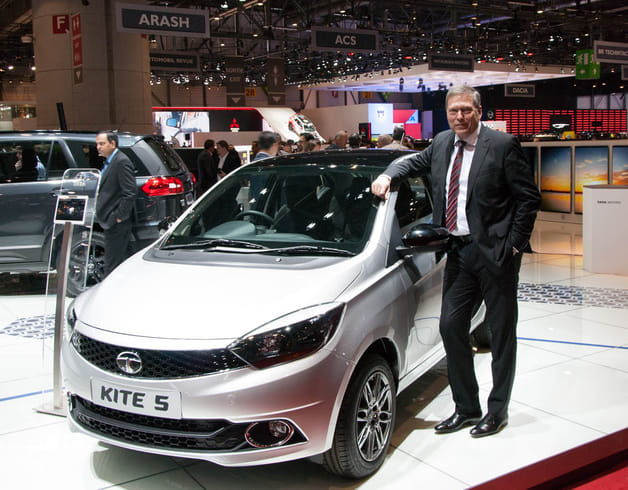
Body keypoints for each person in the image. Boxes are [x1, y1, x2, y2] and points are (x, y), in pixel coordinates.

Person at [371, 85, 541, 438]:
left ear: (479, 110)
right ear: (447, 113)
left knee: (501, 335)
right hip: (458, 252)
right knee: (450, 327)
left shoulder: (502, 145)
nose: (460, 117)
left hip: (495, 254)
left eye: (466, 110)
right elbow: (411, 162)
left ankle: (497, 411)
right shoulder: (442, 143)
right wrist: (387, 175)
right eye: (453, 111)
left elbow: (528, 198)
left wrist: (513, 245)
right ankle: (466, 408)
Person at [95, 131, 137, 277]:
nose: (98, 147)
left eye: (102, 144)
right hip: (111, 220)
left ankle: (108, 289)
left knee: (112, 265)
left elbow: (130, 192)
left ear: (112, 143)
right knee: (122, 261)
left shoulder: (121, 161)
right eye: (97, 144)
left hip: (117, 222)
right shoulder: (110, 162)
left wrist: (119, 216)